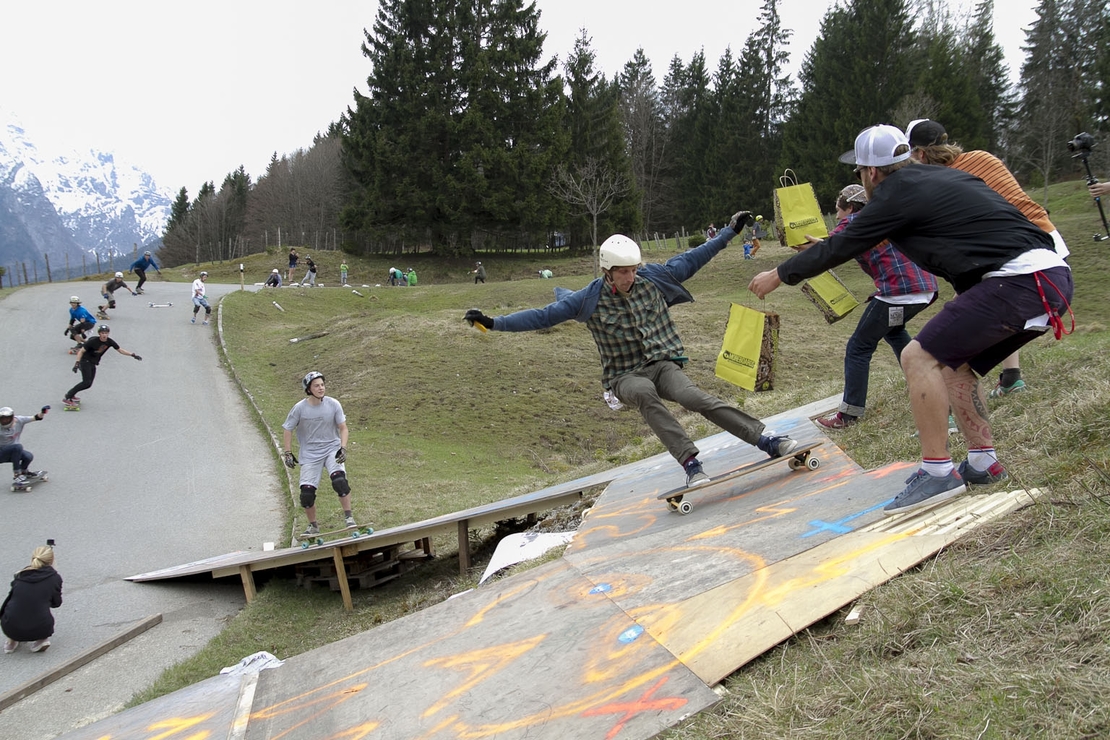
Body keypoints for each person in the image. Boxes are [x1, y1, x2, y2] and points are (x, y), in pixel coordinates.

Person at [749, 124, 1072, 516]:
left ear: (870, 172)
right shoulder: (943, 176)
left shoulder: (893, 194)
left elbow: (839, 246)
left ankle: (937, 471)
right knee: (958, 368)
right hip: (1051, 277)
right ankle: (983, 463)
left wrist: (778, 274)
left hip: (1019, 281)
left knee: (917, 357)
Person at [464, 216, 801, 490]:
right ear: (607, 271)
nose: (630, 277)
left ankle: (765, 439)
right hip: (624, 377)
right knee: (644, 393)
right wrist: (492, 323)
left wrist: (730, 231)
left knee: (694, 397)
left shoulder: (654, 278)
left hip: (662, 363)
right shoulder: (587, 299)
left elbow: (695, 258)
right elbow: (541, 316)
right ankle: (691, 463)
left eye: (633, 270)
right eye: (623, 272)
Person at [906, 119, 1070, 399]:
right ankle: (1011, 377)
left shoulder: (939, 180)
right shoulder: (983, 157)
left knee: (970, 323)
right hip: (1048, 237)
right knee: (1002, 317)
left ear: (920, 154)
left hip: (1014, 248)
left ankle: (955, 397)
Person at [816, 184, 938, 429]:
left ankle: (849, 415)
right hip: (924, 288)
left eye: (838, 210)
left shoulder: (854, 220)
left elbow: (832, 243)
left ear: (849, 207)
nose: (838, 216)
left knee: (858, 346)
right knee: (894, 332)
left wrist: (811, 246)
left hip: (898, 292)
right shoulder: (882, 215)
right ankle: (922, 384)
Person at [282, 372, 357, 535]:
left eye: (322, 384)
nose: (321, 388)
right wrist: (287, 453)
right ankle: (313, 526)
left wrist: (343, 448)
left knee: (339, 482)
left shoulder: (333, 404)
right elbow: (287, 428)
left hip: (331, 449)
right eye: (316, 385)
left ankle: (349, 517)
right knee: (306, 495)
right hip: (310, 454)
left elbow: (343, 428)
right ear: (308, 389)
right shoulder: (300, 408)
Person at [2, 545, 62, 654]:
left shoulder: (20, 575)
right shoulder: (54, 578)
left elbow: (9, 599)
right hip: (40, 628)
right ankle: (41, 640)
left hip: (9, 626)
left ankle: (11, 642)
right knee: (39, 612)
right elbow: (56, 603)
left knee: (18, 608)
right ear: (52, 561)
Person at [64, 324, 143, 408]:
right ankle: (68, 397)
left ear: (108, 333)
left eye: (106, 333)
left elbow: (120, 350)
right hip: (84, 361)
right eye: (102, 333)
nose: (104, 335)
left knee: (88, 384)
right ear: (99, 334)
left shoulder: (109, 342)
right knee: (86, 382)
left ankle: (71, 394)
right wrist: (76, 364)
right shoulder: (93, 341)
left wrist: (133, 355)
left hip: (93, 363)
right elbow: (81, 351)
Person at [0, 406, 49, 490]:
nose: (4, 421)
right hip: (2, 453)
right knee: (17, 447)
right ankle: (17, 475)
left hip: (14, 452)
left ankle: (24, 472)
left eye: (6, 419)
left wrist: (43, 412)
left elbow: (36, 417)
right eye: (2, 419)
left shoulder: (19, 420)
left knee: (28, 456)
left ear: (11, 417)